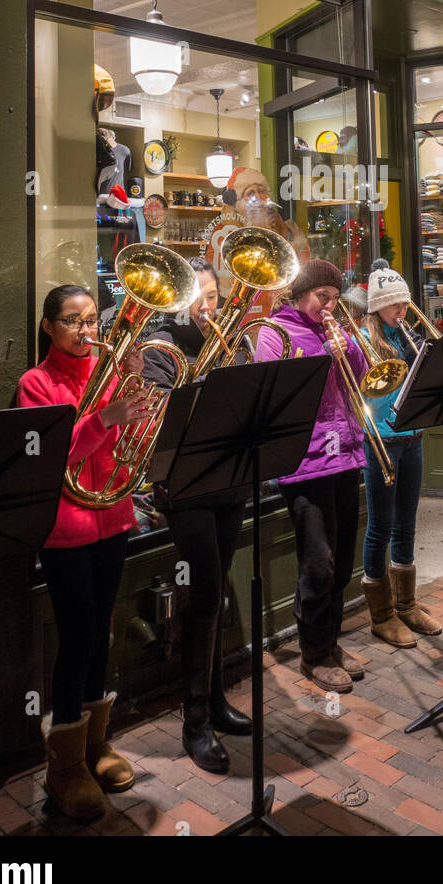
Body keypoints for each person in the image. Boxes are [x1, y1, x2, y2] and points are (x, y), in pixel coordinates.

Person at [16, 285, 150, 820]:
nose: (86, 331)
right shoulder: (35, 383)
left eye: (92, 320)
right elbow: (51, 458)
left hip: (112, 516)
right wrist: (106, 417)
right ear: (49, 326)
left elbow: (132, 438)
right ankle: (63, 766)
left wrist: (137, 391)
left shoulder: (108, 371)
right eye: (73, 321)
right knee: (75, 638)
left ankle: (96, 745)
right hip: (66, 527)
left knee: (103, 632)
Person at [140, 258, 253, 775]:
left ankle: (212, 700)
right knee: (204, 592)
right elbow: (165, 417)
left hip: (228, 480)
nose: (209, 306)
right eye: (200, 297)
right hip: (184, 488)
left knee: (216, 589)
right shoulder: (161, 346)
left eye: (214, 296)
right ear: (181, 298)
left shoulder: (229, 340)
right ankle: (195, 721)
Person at [255, 259, 367, 694]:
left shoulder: (334, 330)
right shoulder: (276, 332)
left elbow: (359, 379)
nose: (330, 306)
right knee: (317, 563)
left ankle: (331, 641)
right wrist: (325, 354)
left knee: (341, 562)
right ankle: (313, 653)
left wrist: (349, 351)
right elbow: (279, 394)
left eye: (336, 299)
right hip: (306, 461)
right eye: (323, 297)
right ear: (301, 294)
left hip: (346, 452)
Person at [359, 260, 441, 646]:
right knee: (379, 527)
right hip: (381, 442)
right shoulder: (364, 339)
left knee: (406, 523)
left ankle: (406, 603)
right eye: (395, 306)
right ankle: (381, 613)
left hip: (412, 438)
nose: (402, 312)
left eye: (405, 305)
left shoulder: (409, 336)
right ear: (377, 306)